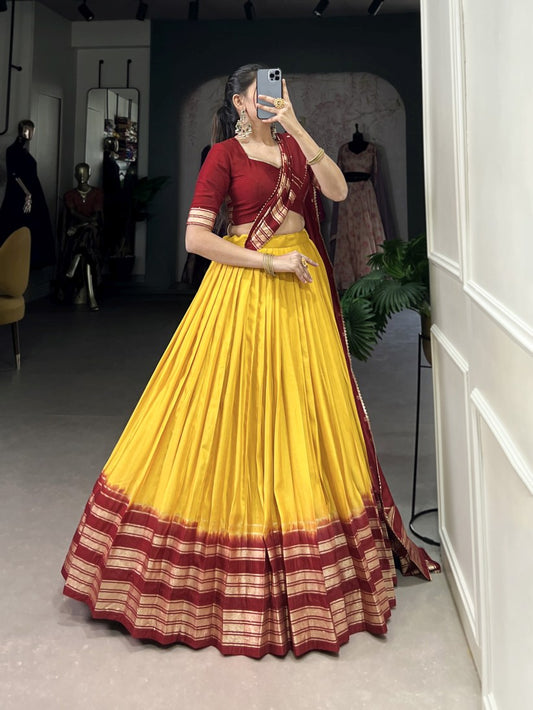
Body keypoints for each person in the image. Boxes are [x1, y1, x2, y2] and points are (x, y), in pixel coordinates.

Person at [61, 64, 439, 658]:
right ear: (239, 102)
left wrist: (297, 126)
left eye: (277, 90)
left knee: (304, 413)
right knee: (234, 413)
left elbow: (339, 192)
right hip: (249, 287)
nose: (270, 99)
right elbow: (196, 240)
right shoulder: (224, 156)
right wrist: (269, 262)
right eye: (261, 92)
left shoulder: (294, 148)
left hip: (303, 290)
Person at [0, 119, 56, 268]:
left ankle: (30, 260)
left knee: (32, 227)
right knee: (17, 225)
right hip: (20, 194)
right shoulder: (13, 150)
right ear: (21, 130)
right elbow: (14, 174)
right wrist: (27, 193)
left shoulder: (23, 150)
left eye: (32, 130)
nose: (30, 133)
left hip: (31, 191)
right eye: (27, 129)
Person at [56, 163, 103, 311]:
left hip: (89, 231)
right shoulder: (70, 195)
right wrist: (84, 224)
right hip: (77, 234)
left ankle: (73, 265)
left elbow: (96, 217)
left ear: (90, 174)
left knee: (88, 232)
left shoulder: (97, 193)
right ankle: (92, 298)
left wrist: (79, 226)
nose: (82, 176)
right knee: (86, 243)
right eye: (79, 173)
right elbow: (72, 213)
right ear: (75, 175)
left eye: (85, 173)